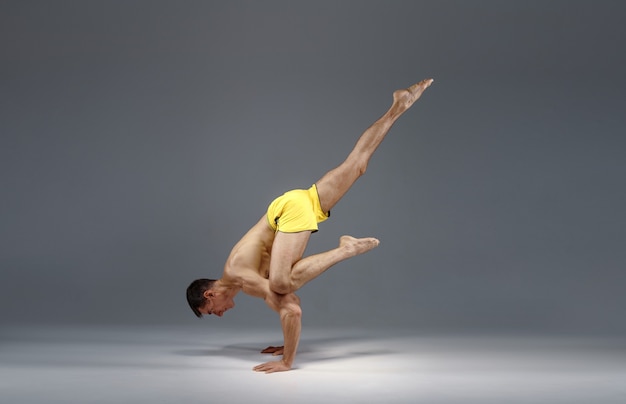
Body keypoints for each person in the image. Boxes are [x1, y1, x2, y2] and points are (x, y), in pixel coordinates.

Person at [186, 78, 434, 373]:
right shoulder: (244, 277)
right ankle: (399, 105)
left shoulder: (239, 275)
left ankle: (346, 249)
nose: (221, 315)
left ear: (209, 295)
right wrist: (286, 337)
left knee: (280, 284)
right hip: (296, 205)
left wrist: (287, 359)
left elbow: (291, 305)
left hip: (288, 213)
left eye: (212, 312)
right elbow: (290, 300)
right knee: (357, 164)